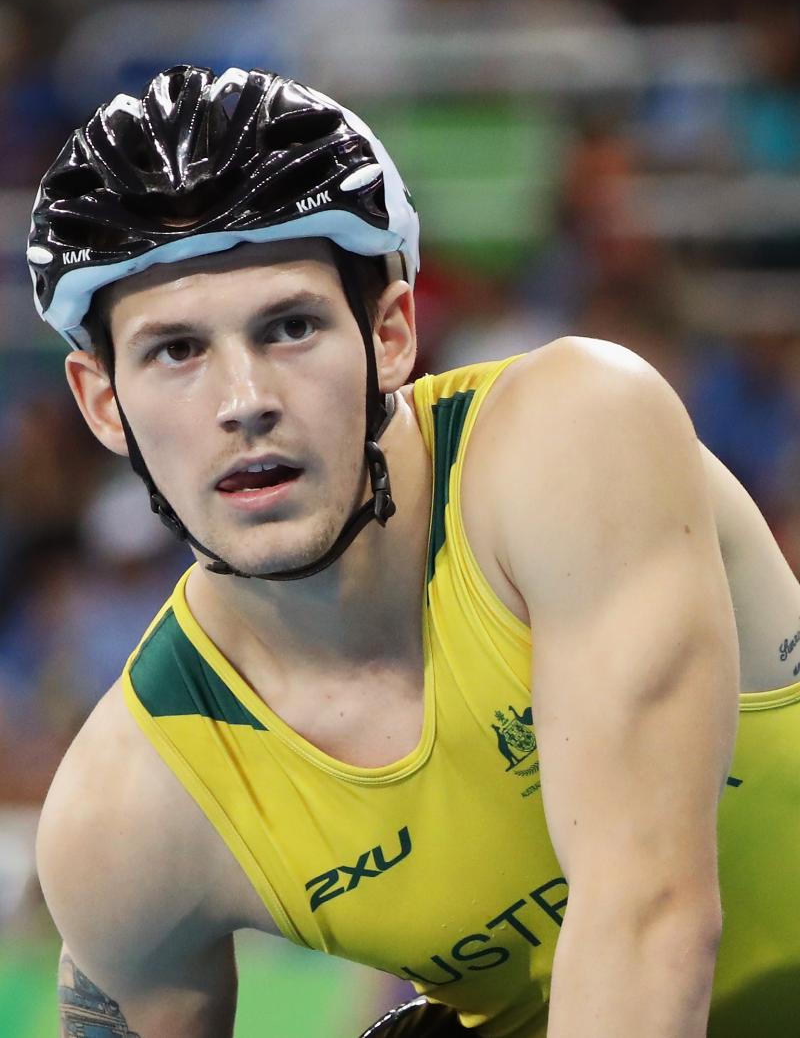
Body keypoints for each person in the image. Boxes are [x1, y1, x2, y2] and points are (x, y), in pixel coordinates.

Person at [28, 65, 800, 1038]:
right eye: (175, 351)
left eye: (292, 325)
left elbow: (649, 918)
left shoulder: (572, 438)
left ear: (389, 334)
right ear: (103, 401)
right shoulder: (129, 814)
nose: (243, 400)